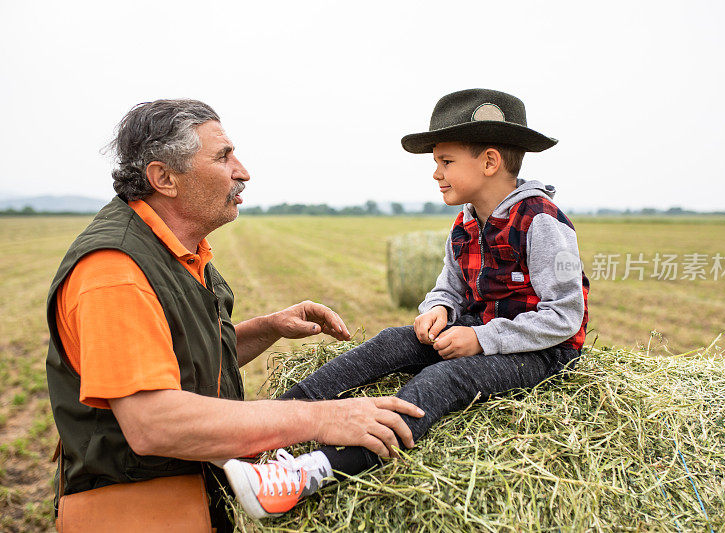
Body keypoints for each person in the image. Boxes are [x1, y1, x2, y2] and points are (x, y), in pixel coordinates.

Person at [45, 99, 424, 532]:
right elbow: (154, 423)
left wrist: (267, 328)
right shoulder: (114, 272)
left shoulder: (181, 251)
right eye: (223, 156)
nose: (242, 171)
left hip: (197, 488)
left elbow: (181, 361)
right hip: (142, 508)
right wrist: (324, 417)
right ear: (164, 177)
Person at [223, 88, 590, 519]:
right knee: (389, 342)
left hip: (540, 350)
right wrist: (437, 310)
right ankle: (265, 428)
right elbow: (448, 289)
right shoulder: (466, 222)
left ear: (490, 162)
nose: (436, 173)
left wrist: (481, 338)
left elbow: (565, 314)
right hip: (475, 328)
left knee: (445, 378)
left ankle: (316, 471)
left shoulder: (542, 221)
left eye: (445, 161)